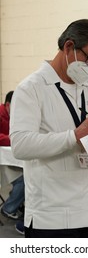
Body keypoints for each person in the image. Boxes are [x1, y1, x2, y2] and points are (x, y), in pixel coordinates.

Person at [10, 19, 88, 238]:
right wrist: (74, 137)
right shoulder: (31, 88)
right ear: (69, 47)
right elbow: (20, 145)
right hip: (52, 216)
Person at [0, 91, 25, 220]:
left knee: (30, 173)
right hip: (3, 162)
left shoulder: (13, 116)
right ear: (8, 105)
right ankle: (9, 208)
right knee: (26, 178)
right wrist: (13, 139)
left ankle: (17, 200)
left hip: (11, 158)